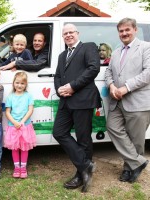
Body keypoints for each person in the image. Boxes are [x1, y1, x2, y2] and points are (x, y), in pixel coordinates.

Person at [104, 18, 150, 183]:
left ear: (135, 30)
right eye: (121, 31)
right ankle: (137, 163)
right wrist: (112, 86)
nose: (124, 33)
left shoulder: (147, 47)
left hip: (138, 101)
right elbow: (108, 72)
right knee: (112, 127)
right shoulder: (116, 52)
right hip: (117, 101)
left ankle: (130, 169)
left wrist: (126, 87)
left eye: (127, 30)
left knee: (136, 139)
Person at [53, 24, 101, 193]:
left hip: (83, 99)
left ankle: (81, 175)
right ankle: (86, 165)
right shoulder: (62, 55)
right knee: (58, 132)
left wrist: (72, 86)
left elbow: (93, 68)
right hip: (66, 101)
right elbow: (58, 75)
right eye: (65, 33)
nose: (68, 35)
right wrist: (59, 90)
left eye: (71, 32)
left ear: (77, 33)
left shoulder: (88, 47)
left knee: (83, 138)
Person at [3, 72, 36, 179]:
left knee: (24, 148)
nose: (19, 85)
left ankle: (23, 168)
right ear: (13, 83)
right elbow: (7, 112)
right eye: (17, 83)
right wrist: (14, 122)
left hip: (25, 126)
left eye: (22, 83)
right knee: (15, 148)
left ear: (26, 85)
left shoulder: (28, 96)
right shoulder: (10, 97)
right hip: (13, 127)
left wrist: (22, 121)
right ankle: (17, 167)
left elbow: (30, 110)